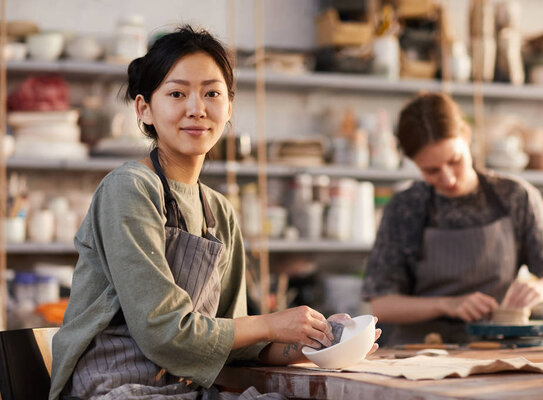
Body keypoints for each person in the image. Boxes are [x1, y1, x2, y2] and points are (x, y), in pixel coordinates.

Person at [50, 26, 379, 399]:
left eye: (212, 93)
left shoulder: (218, 212)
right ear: (144, 109)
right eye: (177, 93)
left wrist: (320, 342)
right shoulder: (130, 188)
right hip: (114, 389)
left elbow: (234, 344)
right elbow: (165, 331)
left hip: (184, 390)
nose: (197, 109)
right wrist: (270, 323)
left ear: (229, 108)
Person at [362, 92, 543, 345]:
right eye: (431, 170)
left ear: (466, 135)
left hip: (496, 346)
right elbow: (381, 304)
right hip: (419, 350)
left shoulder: (515, 197)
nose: (448, 179)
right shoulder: (404, 207)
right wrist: (447, 304)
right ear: (413, 162)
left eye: (455, 161)